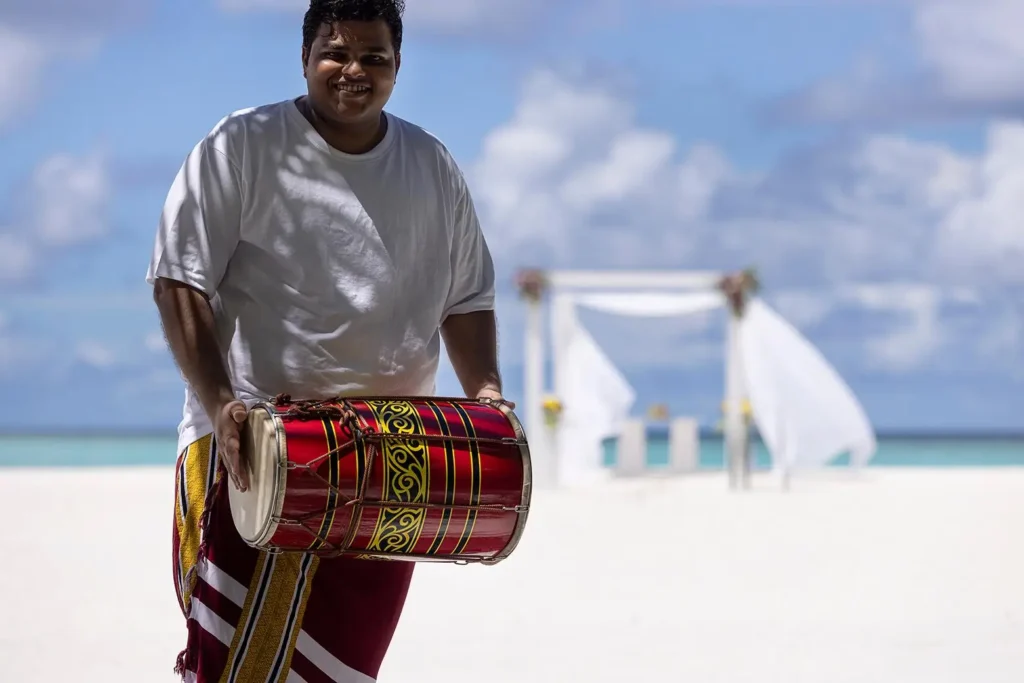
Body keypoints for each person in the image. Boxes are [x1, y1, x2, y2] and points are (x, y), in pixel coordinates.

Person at [147, 1, 507, 680]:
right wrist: (221, 403)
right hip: (256, 444)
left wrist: (484, 392)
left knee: (344, 667)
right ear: (306, 58)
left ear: (398, 67)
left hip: (393, 457)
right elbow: (178, 279)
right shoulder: (242, 145)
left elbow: (466, 298)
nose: (353, 70)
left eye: (374, 57)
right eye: (336, 53)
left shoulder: (430, 164)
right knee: (232, 665)